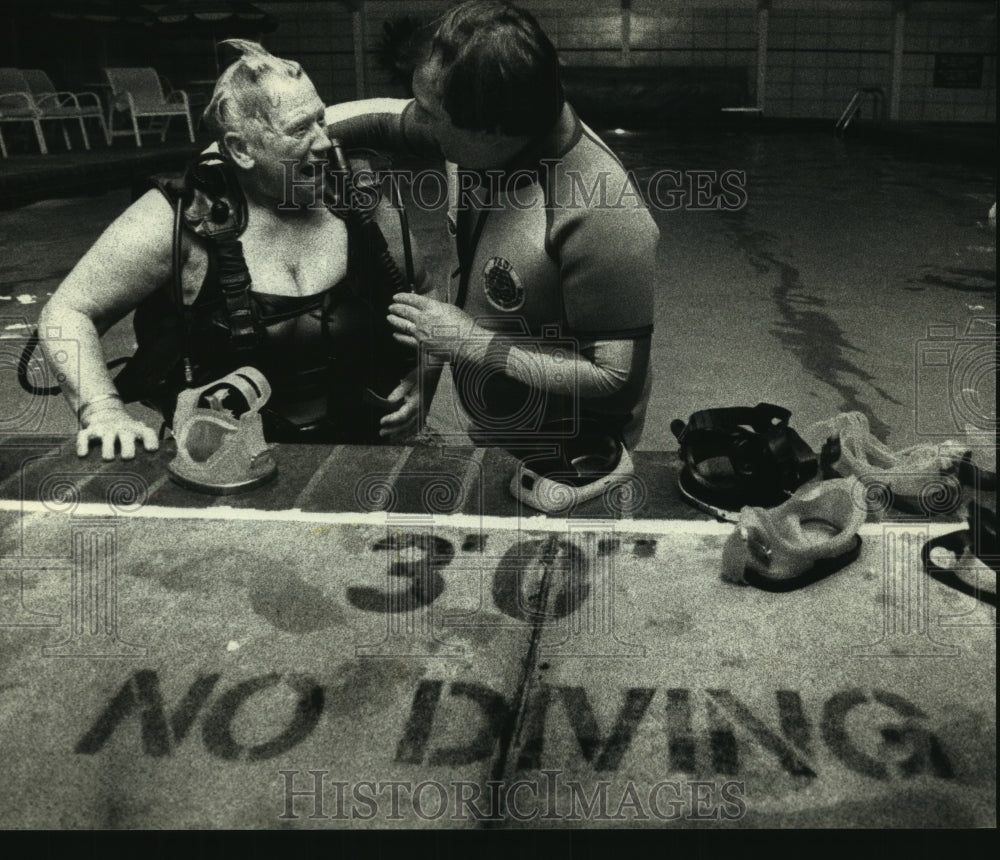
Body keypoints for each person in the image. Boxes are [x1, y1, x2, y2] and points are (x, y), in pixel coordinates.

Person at [38, 40, 430, 460]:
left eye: (321, 120)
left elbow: (424, 296)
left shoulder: (360, 203)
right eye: (300, 129)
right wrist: (103, 410)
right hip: (219, 465)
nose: (324, 142)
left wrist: (424, 375)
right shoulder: (178, 217)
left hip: (362, 454)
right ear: (242, 149)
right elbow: (67, 312)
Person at [324, 0, 659, 454]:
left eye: (426, 112)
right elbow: (381, 122)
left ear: (490, 133)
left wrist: (467, 340)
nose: (414, 122)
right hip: (494, 425)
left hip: (570, 451)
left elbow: (614, 379)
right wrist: (237, 145)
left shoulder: (601, 212)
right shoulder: (490, 129)